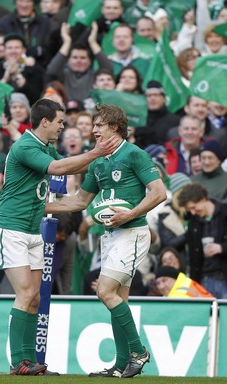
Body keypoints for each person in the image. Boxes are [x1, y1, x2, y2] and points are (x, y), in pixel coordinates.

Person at [0, 98, 120, 376]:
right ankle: (18, 362)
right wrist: (96, 152)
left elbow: (70, 167)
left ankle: (28, 362)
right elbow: (59, 169)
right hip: (10, 229)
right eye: (60, 121)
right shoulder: (25, 146)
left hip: (31, 229)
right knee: (25, 293)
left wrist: (98, 170)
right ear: (45, 121)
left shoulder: (45, 147)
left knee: (35, 297)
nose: (63, 126)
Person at [45, 104, 167, 378]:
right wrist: (41, 207)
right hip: (110, 236)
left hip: (133, 232)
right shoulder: (98, 162)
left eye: (99, 125)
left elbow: (159, 193)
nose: (95, 129)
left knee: (104, 291)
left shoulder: (135, 155)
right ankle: (120, 366)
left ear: (114, 126)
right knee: (117, 298)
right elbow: (79, 201)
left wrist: (131, 214)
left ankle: (138, 351)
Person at [178, 183, 227, 299]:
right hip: (204, 279)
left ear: (203, 199)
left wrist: (221, 248)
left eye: (194, 207)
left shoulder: (225, 213)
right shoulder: (193, 224)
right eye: (190, 210)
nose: (193, 212)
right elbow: (194, 258)